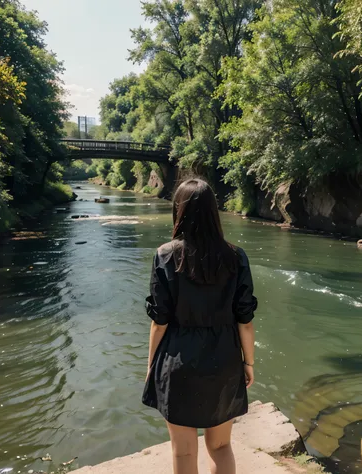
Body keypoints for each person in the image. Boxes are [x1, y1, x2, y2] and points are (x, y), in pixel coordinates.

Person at [142, 178, 258, 474]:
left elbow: (160, 321)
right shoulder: (236, 256)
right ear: (213, 212)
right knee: (220, 447)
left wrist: (151, 365)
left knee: (183, 453)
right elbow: (245, 319)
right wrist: (249, 364)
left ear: (178, 211)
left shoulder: (165, 256)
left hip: (177, 361)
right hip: (224, 360)